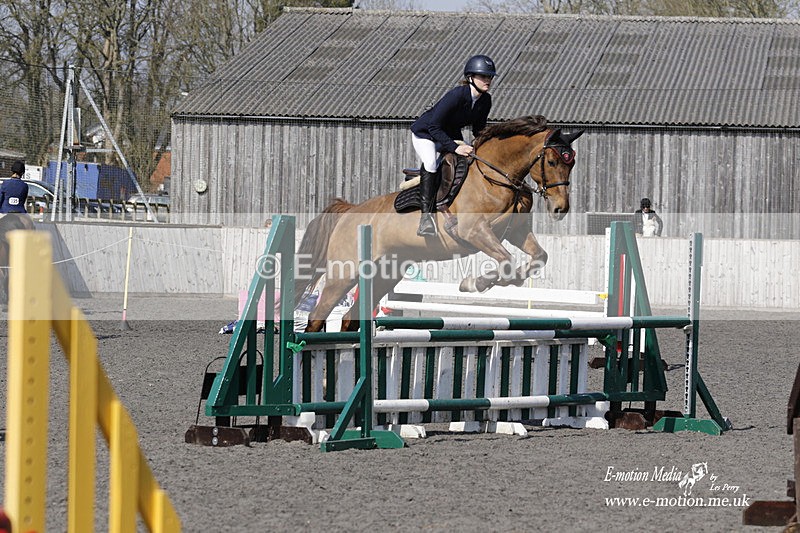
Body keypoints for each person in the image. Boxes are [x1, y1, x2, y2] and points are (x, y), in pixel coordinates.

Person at [410, 55, 496, 236]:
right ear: (471, 77)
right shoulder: (456, 95)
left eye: (489, 77)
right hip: (426, 133)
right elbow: (434, 126)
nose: (488, 80)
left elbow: (479, 129)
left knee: (469, 160)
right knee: (431, 163)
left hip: (449, 134)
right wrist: (456, 147)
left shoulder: (485, 100)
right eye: (483, 76)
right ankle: (426, 218)